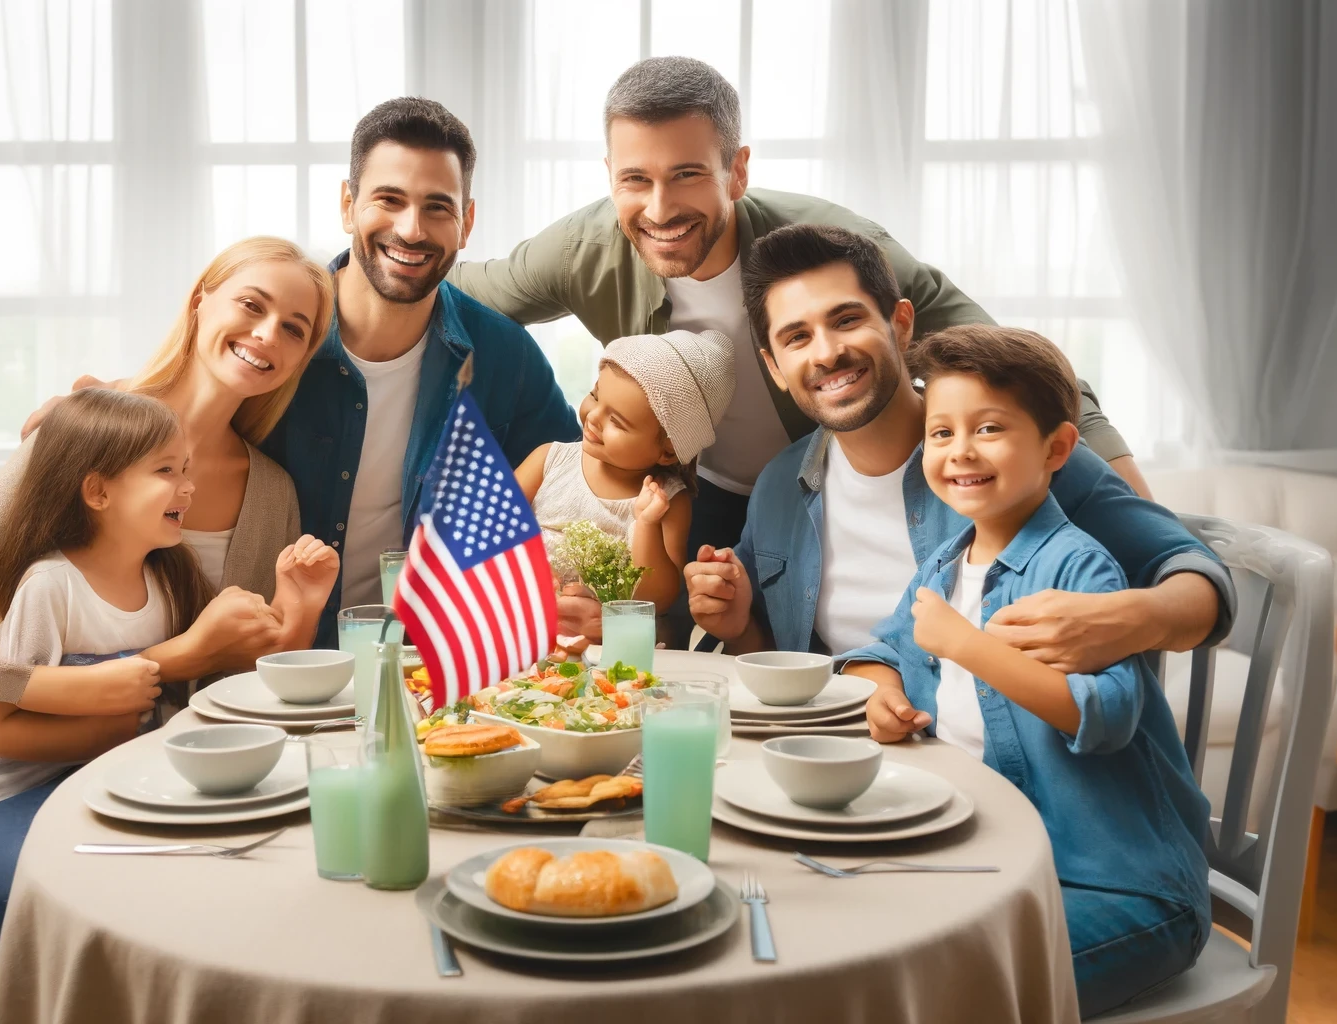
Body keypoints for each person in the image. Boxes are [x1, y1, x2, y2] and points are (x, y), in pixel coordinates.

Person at [450, 56, 1153, 595]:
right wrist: (356, 259)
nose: (659, 207)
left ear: (737, 171)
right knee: (689, 644)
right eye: (635, 179)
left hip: (831, 485)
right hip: (710, 496)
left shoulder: (830, 249)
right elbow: (470, 284)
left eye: (688, 173)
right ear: (610, 175)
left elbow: (1008, 367)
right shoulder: (585, 249)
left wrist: (1125, 495)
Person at [0, 389, 337, 1024]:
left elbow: (242, 671)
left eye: (187, 470)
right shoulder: (48, 587)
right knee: (81, 889)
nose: (188, 487)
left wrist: (298, 604)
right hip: (4, 803)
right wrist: (112, 726)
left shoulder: (167, 578)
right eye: (166, 471)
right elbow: (4, 734)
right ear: (99, 491)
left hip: (108, 785)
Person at [839, 325, 1210, 1016]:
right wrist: (881, 691)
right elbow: (889, 648)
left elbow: (1102, 717)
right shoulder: (947, 563)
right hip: (995, 866)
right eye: (941, 433)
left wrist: (971, 646)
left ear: (1058, 449)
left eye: (988, 428)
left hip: (1121, 889)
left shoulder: (1078, 568)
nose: (960, 451)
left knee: (924, 989)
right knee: (849, 943)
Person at [0, 236, 340, 801]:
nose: (267, 334)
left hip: (172, 775)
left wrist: (290, 620)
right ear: (200, 301)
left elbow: (237, 680)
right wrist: (63, 685)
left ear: (302, 358)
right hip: (28, 774)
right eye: (252, 305)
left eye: (294, 329)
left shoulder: (273, 493)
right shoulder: (85, 429)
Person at [686, 224, 1234, 675]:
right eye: (797, 337)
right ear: (776, 368)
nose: (827, 352)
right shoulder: (781, 485)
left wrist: (1127, 618)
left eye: (847, 319)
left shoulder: (1009, 457)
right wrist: (739, 625)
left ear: (901, 325)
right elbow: (780, 672)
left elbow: (1199, 580)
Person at [262, 97, 579, 644]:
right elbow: (180, 430)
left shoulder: (506, 356)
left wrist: (576, 591)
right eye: (389, 199)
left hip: (434, 669)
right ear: (347, 204)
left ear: (467, 221)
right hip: (278, 659)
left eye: (438, 207)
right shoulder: (277, 333)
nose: (411, 230)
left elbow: (582, 487)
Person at [518, 329, 735, 622]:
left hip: (608, 646)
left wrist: (646, 523)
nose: (593, 416)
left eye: (617, 422)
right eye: (595, 396)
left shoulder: (668, 501)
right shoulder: (548, 461)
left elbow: (658, 600)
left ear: (668, 450)